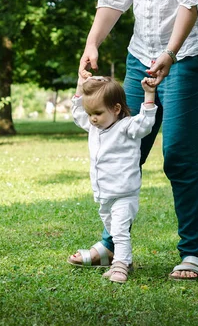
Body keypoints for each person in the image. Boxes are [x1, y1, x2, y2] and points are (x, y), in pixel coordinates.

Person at [69, 0, 198, 280]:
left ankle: (193, 253)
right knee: (123, 149)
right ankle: (112, 245)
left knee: (180, 156)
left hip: (189, 52)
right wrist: (93, 41)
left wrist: (170, 52)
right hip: (140, 52)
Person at [69, 75, 157, 283]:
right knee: (113, 228)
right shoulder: (94, 127)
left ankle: (121, 266)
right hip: (104, 195)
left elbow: (145, 123)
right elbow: (77, 113)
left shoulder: (126, 127)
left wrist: (149, 94)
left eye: (98, 113)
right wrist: (80, 86)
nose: (92, 118)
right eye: (90, 114)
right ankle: (122, 259)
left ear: (116, 109)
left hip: (124, 194)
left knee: (119, 232)